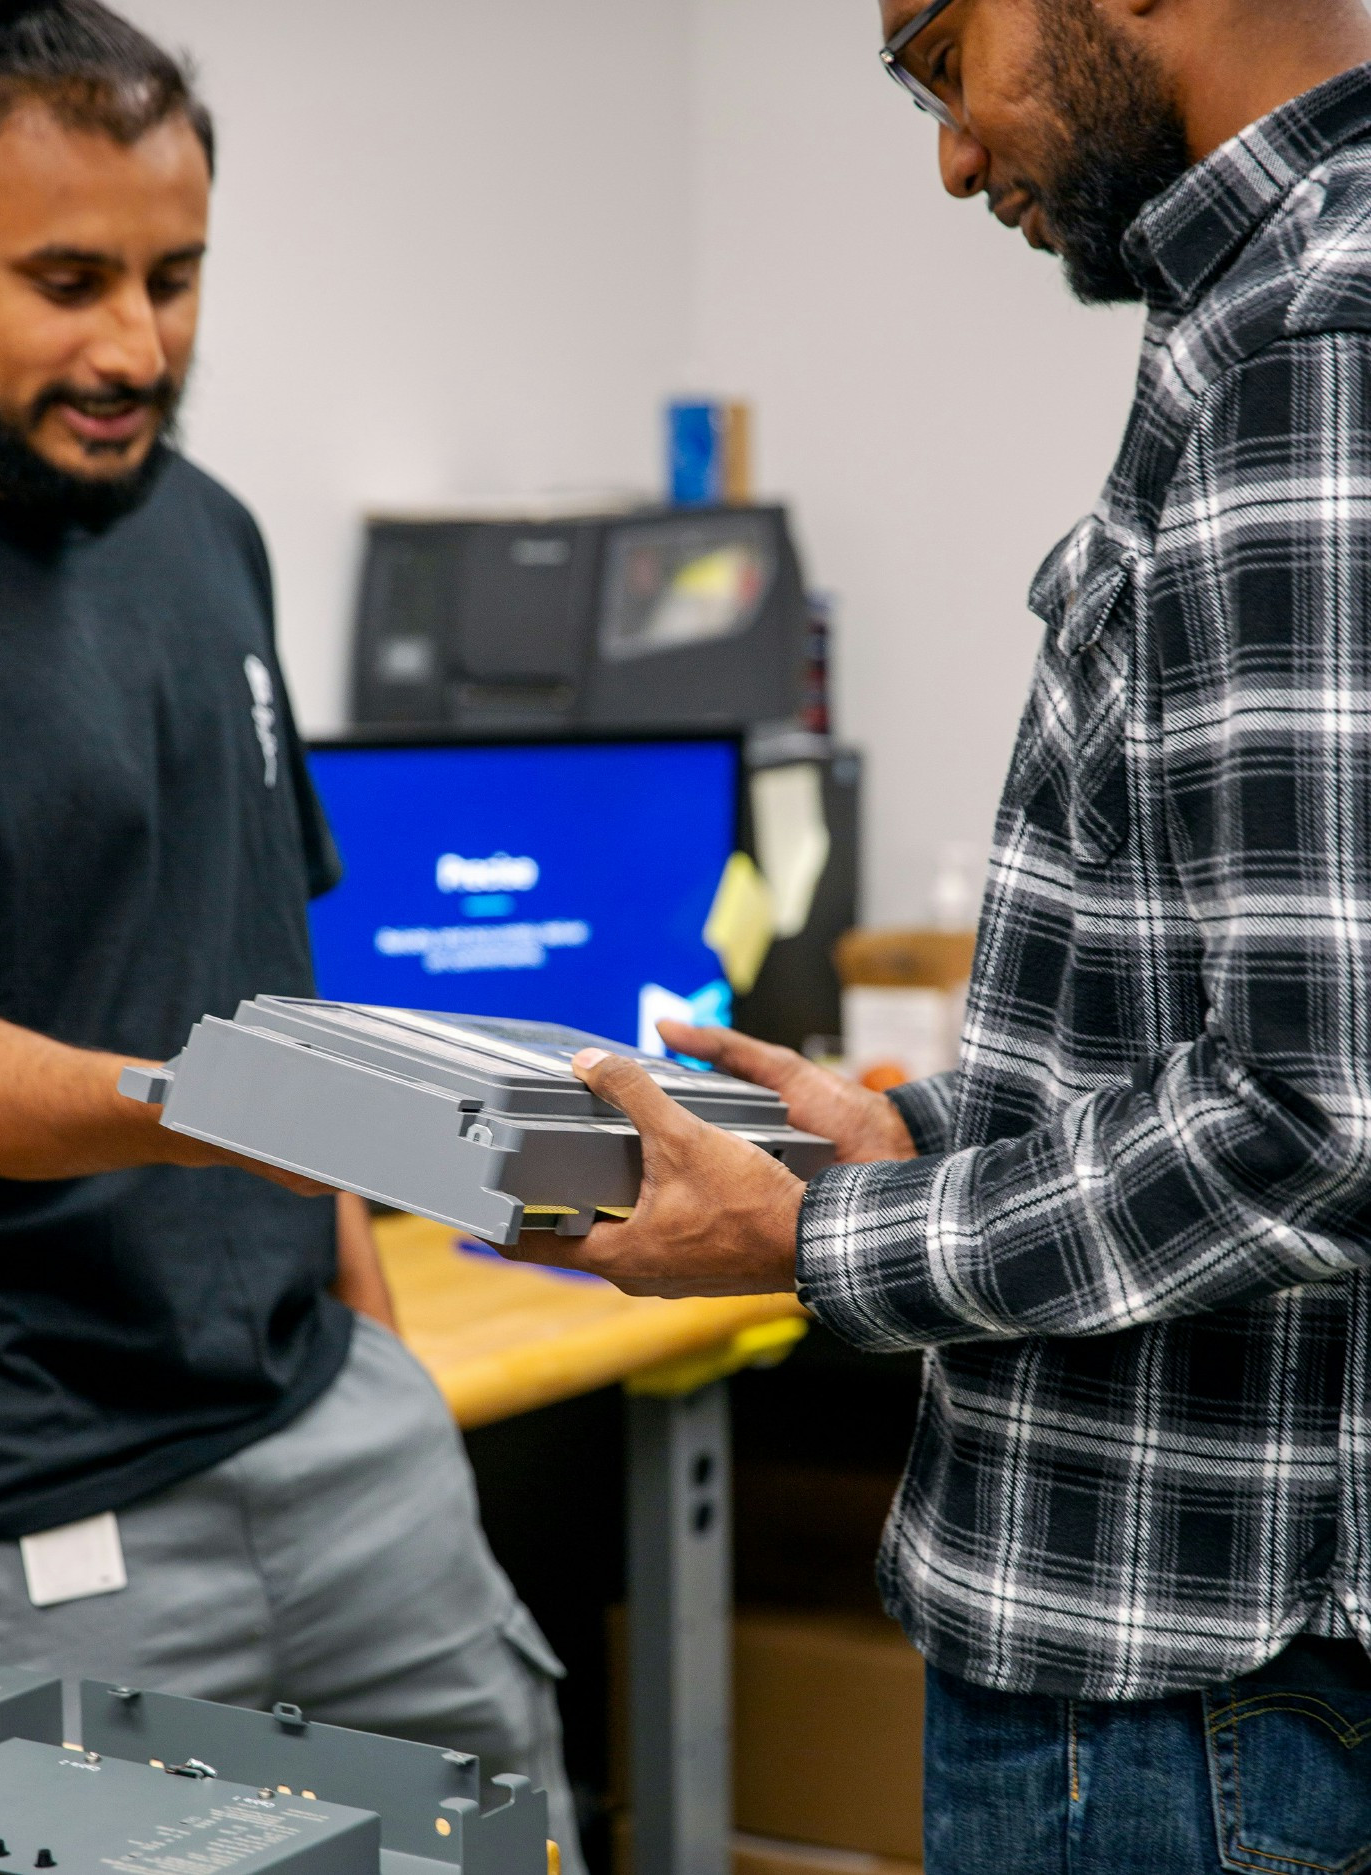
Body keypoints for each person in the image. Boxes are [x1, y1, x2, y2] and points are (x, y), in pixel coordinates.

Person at [508, 0, 1371, 1867]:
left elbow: (1317, 1115)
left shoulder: (1312, 349)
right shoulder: (1258, 321)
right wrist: (932, 1136)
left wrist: (821, 1230)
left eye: (936, 48)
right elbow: (1226, 1021)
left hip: (1181, 1702)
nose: (956, 152)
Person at [0, 3, 582, 1864]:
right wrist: (215, 1099)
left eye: (176, 280)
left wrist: (380, 1351)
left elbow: (265, 957)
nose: (133, 345)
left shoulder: (214, 534)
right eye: (69, 280)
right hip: (21, 1521)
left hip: (345, 1452)